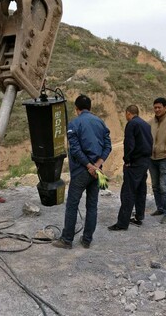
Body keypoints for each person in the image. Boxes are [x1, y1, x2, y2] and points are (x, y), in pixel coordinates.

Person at [53, 94, 112, 249]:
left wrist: (88, 166)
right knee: (92, 206)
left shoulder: (74, 124)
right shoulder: (100, 122)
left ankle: (66, 240)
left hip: (81, 172)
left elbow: (76, 149)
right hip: (97, 173)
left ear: (77, 109)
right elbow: (108, 146)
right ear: (90, 108)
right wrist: (97, 165)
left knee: (72, 205)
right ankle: (87, 240)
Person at [108, 105, 153, 231]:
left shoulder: (131, 124)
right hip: (145, 162)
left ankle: (122, 223)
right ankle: (139, 217)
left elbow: (129, 144)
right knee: (140, 189)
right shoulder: (146, 125)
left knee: (128, 192)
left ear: (128, 113)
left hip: (135, 163)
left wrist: (127, 160)